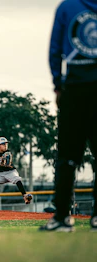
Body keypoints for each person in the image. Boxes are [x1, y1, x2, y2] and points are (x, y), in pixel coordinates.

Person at [40, 0, 97, 231]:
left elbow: (55, 50)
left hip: (75, 88)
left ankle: (62, 217)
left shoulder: (66, 7)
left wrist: (57, 84)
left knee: (66, 157)